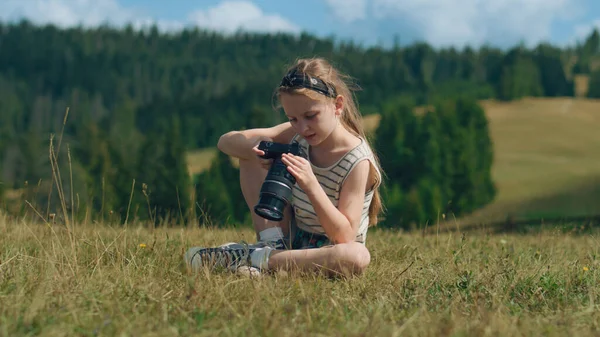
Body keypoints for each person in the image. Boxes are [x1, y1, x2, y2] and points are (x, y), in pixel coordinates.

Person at [184, 57, 383, 277]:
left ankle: (253, 258)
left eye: (311, 116)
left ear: (337, 105)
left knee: (357, 257)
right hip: (289, 239)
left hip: (330, 251)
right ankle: (271, 249)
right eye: (293, 118)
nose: (303, 127)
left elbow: (344, 236)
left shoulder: (357, 160)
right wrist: (262, 153)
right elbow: (226, 142)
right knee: (251, 151)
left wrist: (310, 185)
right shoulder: (298, 133)